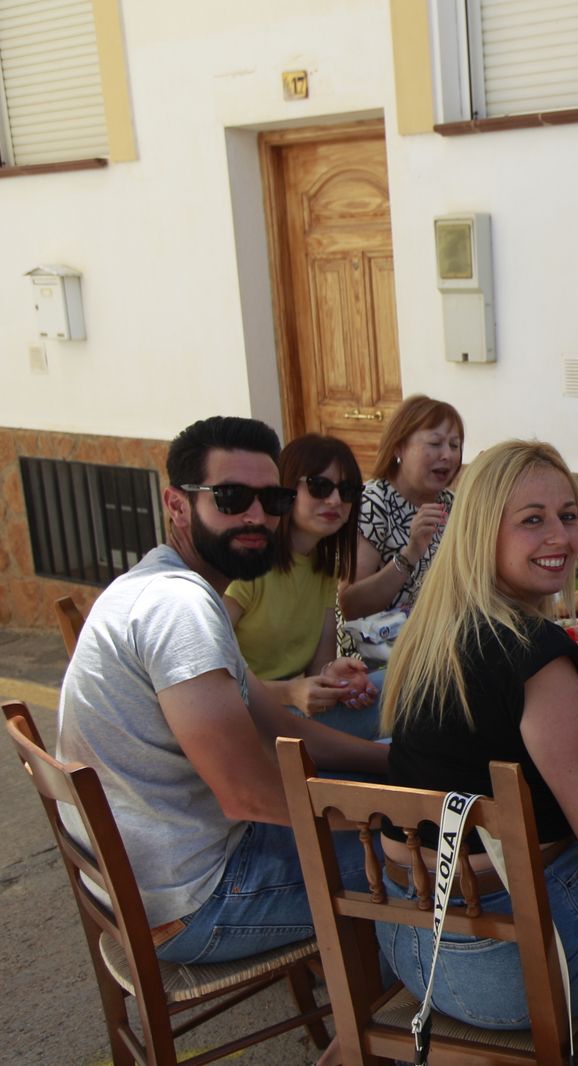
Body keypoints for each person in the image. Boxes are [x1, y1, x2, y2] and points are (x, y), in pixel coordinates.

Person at [377, 439, 578, 1043]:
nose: (561, 536)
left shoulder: (432, 635)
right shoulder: (533, 657)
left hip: (408, 951)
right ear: (481, 531)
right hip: (514, 972)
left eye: (569, 516)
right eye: (533, 520)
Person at [55, 416, 389, 964]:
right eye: (231, 497)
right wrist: (389, 814)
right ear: (178, 505)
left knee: (387, 792)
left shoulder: (173, 586)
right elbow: (248, 794)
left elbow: (277, 726)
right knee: (420, 859)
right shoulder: (179, 607)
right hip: (195, 899)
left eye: (272, 498)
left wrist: (386, 765)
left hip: (169, 872)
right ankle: (382, 1033)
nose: (257, 516)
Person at [224, 432, 378, 736]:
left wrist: (334, 680)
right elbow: (213, 682)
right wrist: (289, 692)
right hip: (245, 724)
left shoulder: (323, 568)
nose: (335, 500)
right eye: (320, 487)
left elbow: (319, 668)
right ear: (286, 488)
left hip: (293, 719)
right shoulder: (249, 566)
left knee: (408, 695)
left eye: (347, 491)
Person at [340, 394, 464, 617]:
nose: (448, 455)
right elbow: (350, 605)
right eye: (435, 443)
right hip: (377, 647)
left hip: (434, 640)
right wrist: (411, 553)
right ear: (399, 448)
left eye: (454, 445)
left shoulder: (450, 503)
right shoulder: (372, 502)